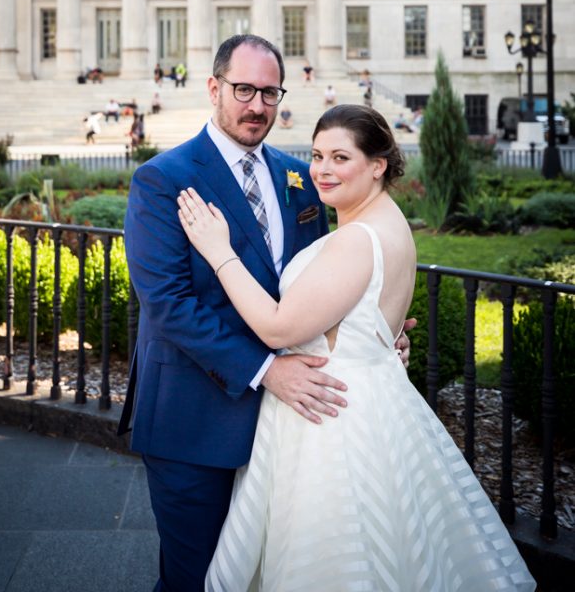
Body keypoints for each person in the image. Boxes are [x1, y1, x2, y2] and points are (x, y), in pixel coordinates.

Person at [178, 105, 536, 592]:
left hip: (331, 414)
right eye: (318, 155)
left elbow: (279, 329)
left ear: (378, 164)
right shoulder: (388, 223)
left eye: (341, 157)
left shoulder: (357, 240)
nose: (322, 170)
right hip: (370, 393)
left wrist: (218, 251)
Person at [118, 35, 413, 591]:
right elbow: (168, 303)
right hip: (194, 418)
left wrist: (369, 332)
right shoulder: (161, 179)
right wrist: (266, 370)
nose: (257, 105)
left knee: (265, 574)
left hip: (289, 429)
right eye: (243, 89)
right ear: (213, 88)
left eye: (269, 93)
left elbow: (315, 284)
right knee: (198, 577)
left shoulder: (301, 175)